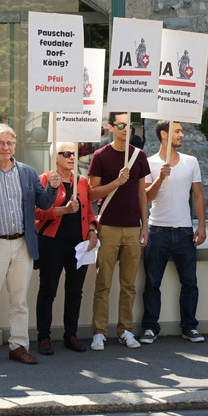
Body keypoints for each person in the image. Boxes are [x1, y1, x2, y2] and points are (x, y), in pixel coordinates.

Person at [0, 124, 60, 368]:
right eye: (0, 143)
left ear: (15, 145)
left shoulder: (27, 172)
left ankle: (19, 347)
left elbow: (45, 203)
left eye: (9, 143)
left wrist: (53, 187)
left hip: (22, 244)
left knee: (19, 301)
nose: (6, 147)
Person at [88, 112, 151, 350]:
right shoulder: (100, 156)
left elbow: (141, 194)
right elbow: (92, 193)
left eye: (130, 125)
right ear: (111, 127)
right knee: (103, 283)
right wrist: (116, 182)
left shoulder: (139, 155)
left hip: (133, 227)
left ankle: (125, 330)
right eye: (122, 125)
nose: (127, 129)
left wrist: (145, 225)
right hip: (109, 228)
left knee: (128, 284)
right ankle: (99, 332)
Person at [140, 120, 207, 344]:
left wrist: (202, 226)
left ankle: (189, 327)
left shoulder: (191, 162)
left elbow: (197, 195)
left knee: (190, 282)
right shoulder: (148, 163)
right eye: (178, 131)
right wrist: (160, 177)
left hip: (184, 231)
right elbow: (145, 199)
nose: (183, 135)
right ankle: (150, 327)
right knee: (152, 283)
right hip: (157, 229)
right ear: (163, 134)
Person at [34, 142, 99, 355]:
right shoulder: (44, 180)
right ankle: (44, 337)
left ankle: (71, 335)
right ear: (56, 158)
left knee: (74, 292)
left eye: (74, 153)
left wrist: (92, 230)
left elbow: (88, 210)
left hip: (78, 244)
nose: (72, 157)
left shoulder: (81, 181)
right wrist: (62, 210)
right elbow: (37, 212)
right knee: (48, 291)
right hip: (51, 244)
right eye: (67, 154)